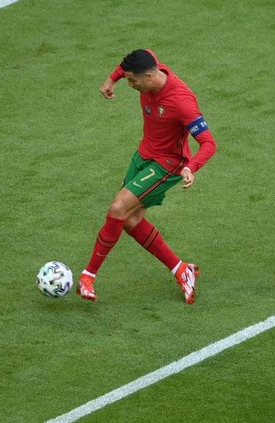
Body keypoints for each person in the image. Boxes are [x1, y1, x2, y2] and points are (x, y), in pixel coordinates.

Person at [78, 48, 217, 303]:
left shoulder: (182, 102)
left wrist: (192, 167)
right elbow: (129, 62)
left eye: (132, 80)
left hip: (167, 165)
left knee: (118, 208)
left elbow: (209, 143)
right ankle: (182, 270)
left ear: (150, 77)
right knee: (129, 220)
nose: (129, 84)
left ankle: (88, 277)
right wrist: (112, 78)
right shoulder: (150, 65)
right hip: (142, 157)